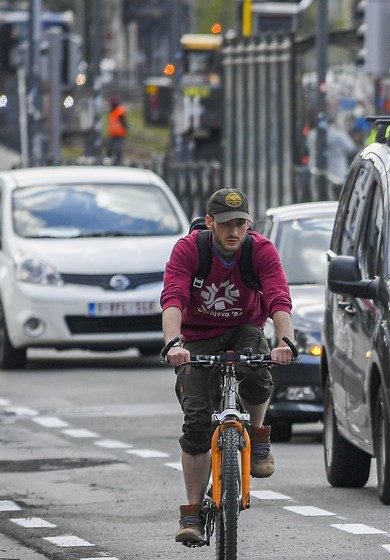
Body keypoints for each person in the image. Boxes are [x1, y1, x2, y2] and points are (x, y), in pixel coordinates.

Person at [161, 188, 295, 545]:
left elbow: (278, 296)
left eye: (240, 224)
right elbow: (172, 297)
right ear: (209, 224)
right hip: (197, 337)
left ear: (249, 224)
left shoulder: (260, 249)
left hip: (244, 329)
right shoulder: (189, 250)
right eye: (225, 225)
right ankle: (191, 511)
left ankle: (259, 434)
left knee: (257, 367)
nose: (233, 232)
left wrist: (285, 341)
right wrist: (174, 343)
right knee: (196, 422)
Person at [106, 95, 128, 165]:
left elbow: (124, 122)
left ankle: (118, 162)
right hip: (112, 134)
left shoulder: (119, 111)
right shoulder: (111, 111)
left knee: (118, 149)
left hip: (120, 134)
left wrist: (125, 129)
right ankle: (110, 161)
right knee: (110, 148)